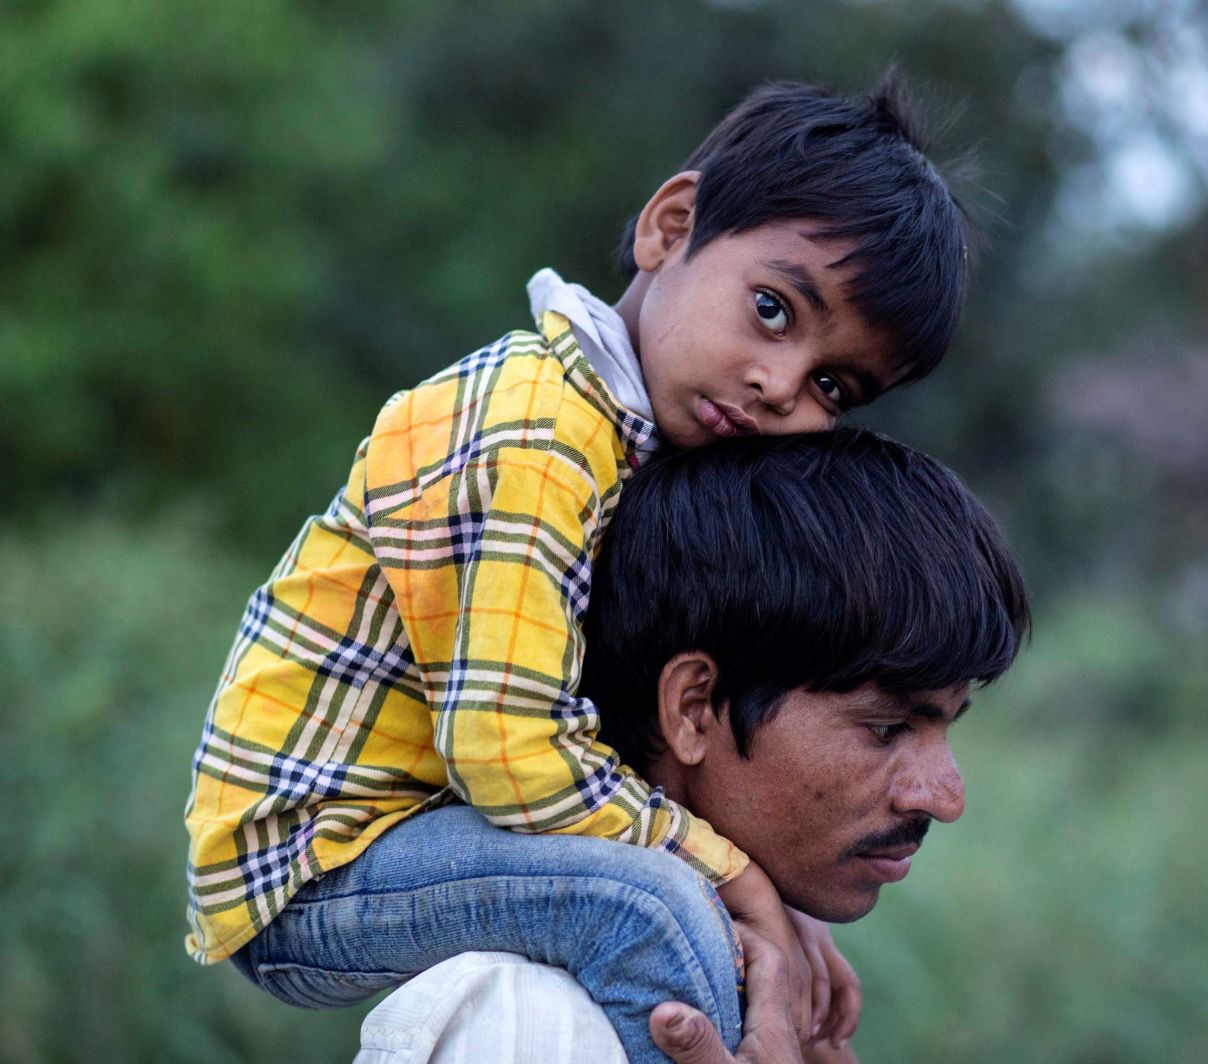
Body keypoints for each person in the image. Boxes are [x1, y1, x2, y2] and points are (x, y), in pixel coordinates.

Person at [183, 73, 973, 1063]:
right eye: (772, 309)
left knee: (669, 896)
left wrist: (772, 906)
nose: (778, 384)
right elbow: (511, 753)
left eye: (832, 384)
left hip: (412, 832)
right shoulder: (541, 428)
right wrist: (737, 879)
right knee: (651, 907)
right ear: (668, 226)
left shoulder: (622, 441)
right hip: (312, 860)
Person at [355, 429, 1031, 1062]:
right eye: (887, 729)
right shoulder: (524, 1024)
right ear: (694, 707)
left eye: (947, 727)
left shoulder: (780, 989)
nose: (945, 798)